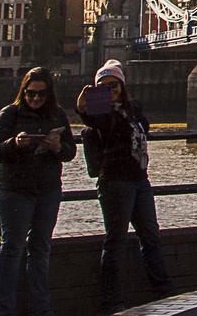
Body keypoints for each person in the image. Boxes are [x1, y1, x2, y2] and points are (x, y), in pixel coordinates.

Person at [76, 59, 176, 313]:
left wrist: (124, 104)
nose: (110, 89)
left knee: (151, 237)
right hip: (115, 183)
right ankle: (112, 302)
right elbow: (90, 118)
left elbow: (144, 126)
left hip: (140, 180)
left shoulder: (133, 108)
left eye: (114, 85)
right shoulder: (103, 113)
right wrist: (87, 101)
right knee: (116, 242)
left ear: (122, 85)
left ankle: (165, 293)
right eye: (104, 85)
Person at [0, 67, 77, 316]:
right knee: (12, 248)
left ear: (49, 94)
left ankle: (41, 309)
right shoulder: (9, 114)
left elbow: (70, 152)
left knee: (41, 249)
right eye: (30, 93)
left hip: (48, 189)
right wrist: (13, 144)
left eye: (41, 94)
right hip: (15, 190)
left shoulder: (57, 115)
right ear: (23, 91)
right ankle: (3, 311)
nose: (35, 99)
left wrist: (58, 147)